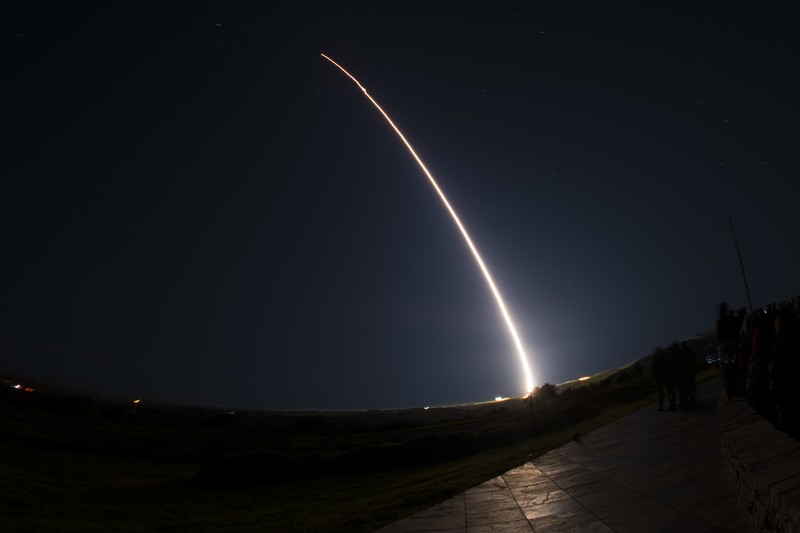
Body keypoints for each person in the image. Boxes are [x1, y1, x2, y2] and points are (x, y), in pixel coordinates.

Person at [652, 347, 667, 412]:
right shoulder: (662, 357)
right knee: (661, 392)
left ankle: (663, 405)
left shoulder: (662, 358)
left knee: (667, 390)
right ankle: (662, 405)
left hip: (662, 377)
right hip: (661, 377)